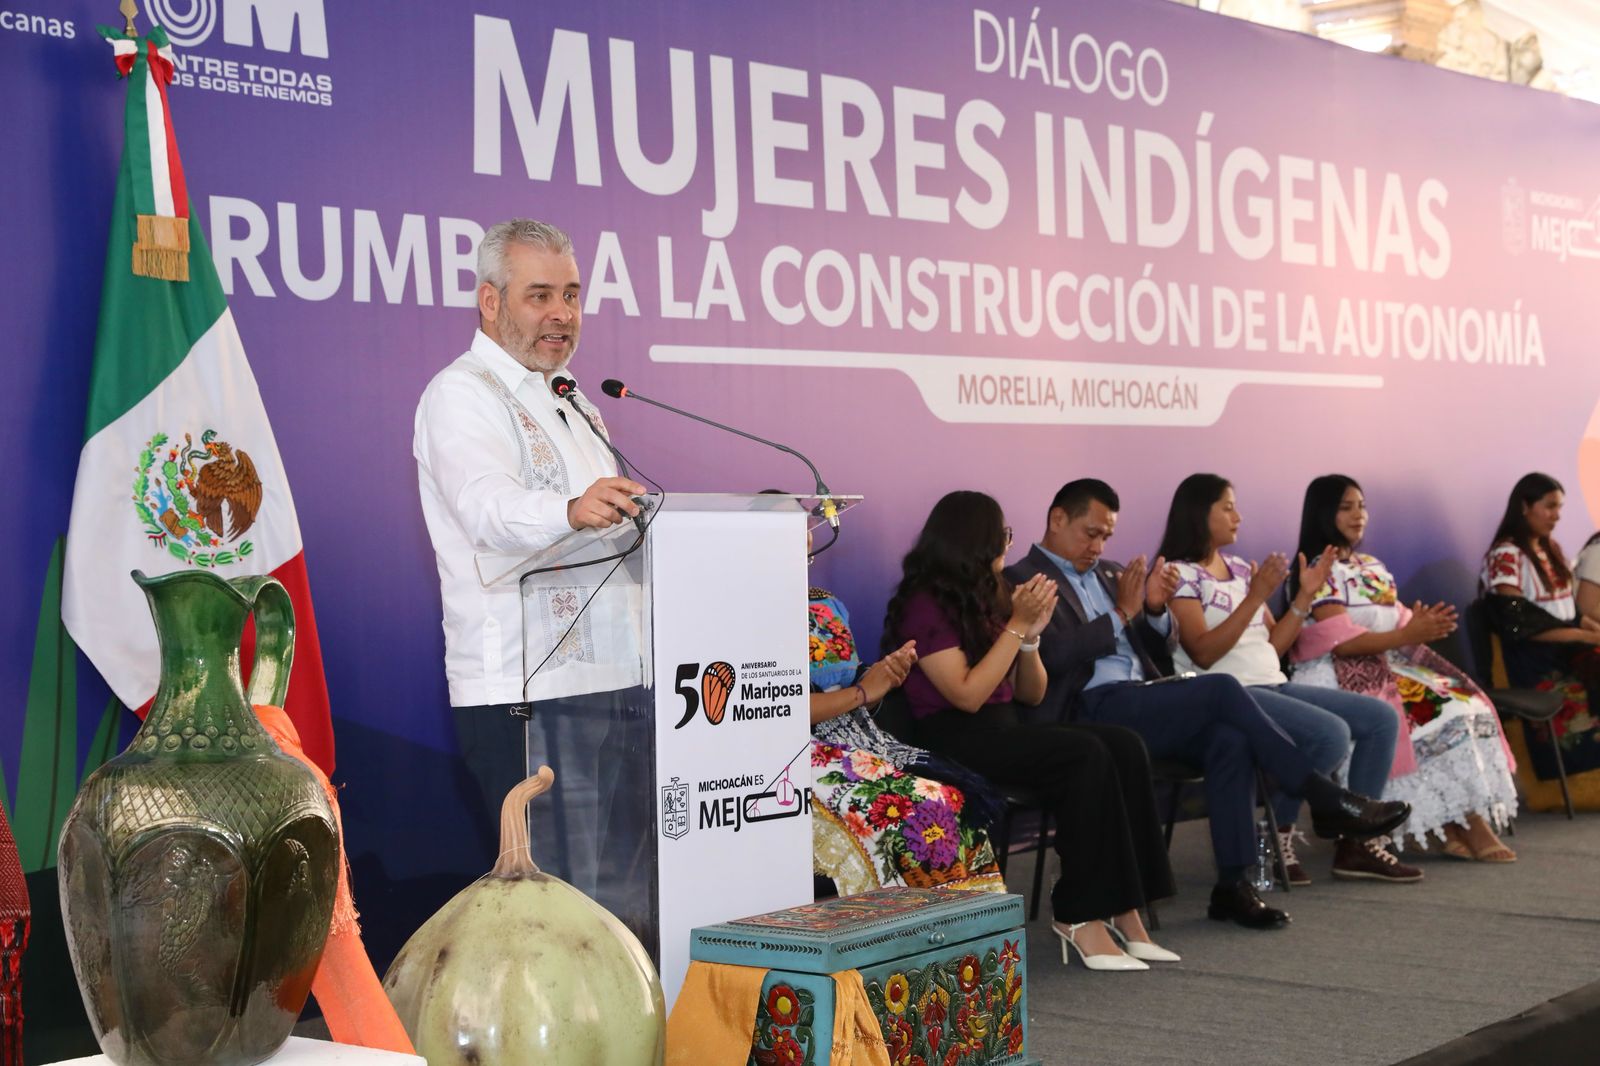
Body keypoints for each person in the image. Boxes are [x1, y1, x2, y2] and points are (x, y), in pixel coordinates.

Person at [1009, 479, 1410, 930]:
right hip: (1086, 708)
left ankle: (1233, 886)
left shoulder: (1112, 574)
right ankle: (1324, 796)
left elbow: (1157, 650)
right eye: (1091, 533)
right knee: (1220, 688)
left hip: (1140, 698)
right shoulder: (1022, 580)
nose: (1098, 547)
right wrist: (1121, 614)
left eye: (1106, 536)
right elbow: (1051, 657)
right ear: (1058, 519)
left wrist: (1155, 610)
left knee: (1229, 739)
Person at [414, 219, 651, 934]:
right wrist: (570, 510)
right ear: (491, 302)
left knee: (618, 909)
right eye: (540, 295)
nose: (562, 314)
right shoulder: (461, 394)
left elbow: (615, 535)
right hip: (527, 697)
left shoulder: (576, 402)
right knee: (554, 921)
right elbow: (486, 508)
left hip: (610, 689)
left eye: (571, 295)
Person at [886, 491, 1179, 971]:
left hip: (1002, 727)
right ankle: (1079, 913)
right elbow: (966, 695)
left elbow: (1032, 693)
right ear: (976, 540)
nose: (1008, 544)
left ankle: (1126, 906)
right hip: (953, 739)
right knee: (1084, 754)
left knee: (1123, 745)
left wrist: (1030, 639)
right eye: (1003, 535)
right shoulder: (925, 604)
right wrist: (1016, 628)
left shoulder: (989, 596)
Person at [1156, 474, 1415, 883]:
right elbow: (1203, 653)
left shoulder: (1240, 568)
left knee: (1379, 719)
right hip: (1226, 692)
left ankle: (1355, 844)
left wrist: (1304, 598)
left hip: (1271, 682)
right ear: (1198, 513)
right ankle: (1274, 837)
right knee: (1329, 735)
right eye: (1227, 508)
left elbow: (1273, 646)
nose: (1238, 517)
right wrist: (1256, 596)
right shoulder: (1178, 575)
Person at [808, 587, 1007, 894]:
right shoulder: (746, 609)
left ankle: (961, 920)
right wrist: (862, 693)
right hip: (793, 755)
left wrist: (880, 678)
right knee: (916, 809)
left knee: (953, 797)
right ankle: (908, 918)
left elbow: (852, 690)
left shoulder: (825, 602)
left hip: (856, 739)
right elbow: (777, 707)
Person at [1480, 472, 1600, 812]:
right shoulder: (1506, 555)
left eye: (1559, 508)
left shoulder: (1551, 549)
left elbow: (1569, 612)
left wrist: (1588, 629)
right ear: (1524, 506)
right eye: (1549, 507)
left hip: (1567, 649)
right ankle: (1574, 786)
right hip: (1531, 660)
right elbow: (1517, 621)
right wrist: (1585, 635)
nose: (1556, 516)